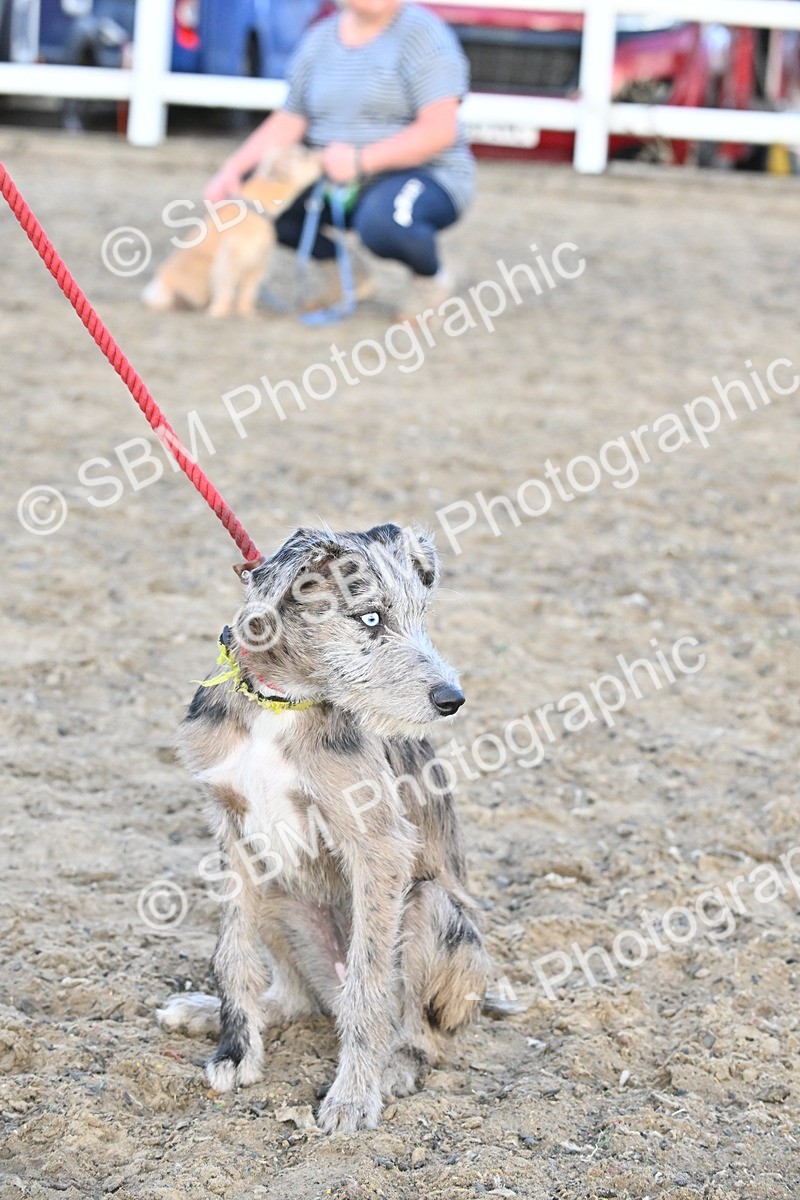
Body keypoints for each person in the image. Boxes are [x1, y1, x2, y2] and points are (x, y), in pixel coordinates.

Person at [204, 0, 474, 320]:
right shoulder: (319, 39)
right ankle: (344, 273)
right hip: (329, 172)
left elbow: (439, 130)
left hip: (421, 173)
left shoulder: (425, 36)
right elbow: (289, 120)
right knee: (258, 198)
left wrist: (361, 160)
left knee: (386, 224)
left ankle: (431, 279)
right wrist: (232, 170)